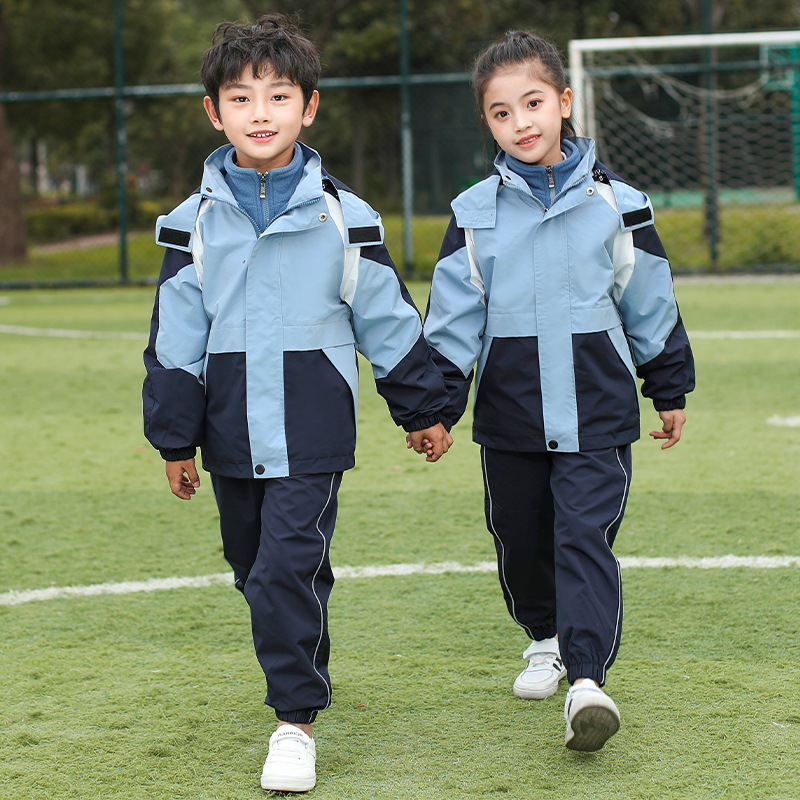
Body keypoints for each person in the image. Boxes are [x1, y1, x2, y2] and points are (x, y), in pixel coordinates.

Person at [142, 14, 452, 792]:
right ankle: (302, 641)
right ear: (214, 112)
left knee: (284, 567)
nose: (260, 112)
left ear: (308, 107)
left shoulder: (345, 217)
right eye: (241, 97)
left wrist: (423, 409)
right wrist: (175, 439)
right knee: (255, 567)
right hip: (228, 432)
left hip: (313, 428)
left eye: (278, 95)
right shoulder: (193, 225)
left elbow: (386, 317)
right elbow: (176, 338)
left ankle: (294, 723)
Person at [421, 30, 695, 752]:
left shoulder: (619, 205)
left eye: (534, 103)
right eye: (502, 113)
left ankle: (586, 681)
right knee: (520, 538)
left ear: (565, 102)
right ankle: (542, 636)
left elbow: (650, 303)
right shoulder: (474, 213)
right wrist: (437, 408)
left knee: (584, 535)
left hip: (597, 412)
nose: (522, 123)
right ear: (488, 123)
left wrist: (667, 385)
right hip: (509, 417)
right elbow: (452, 323)